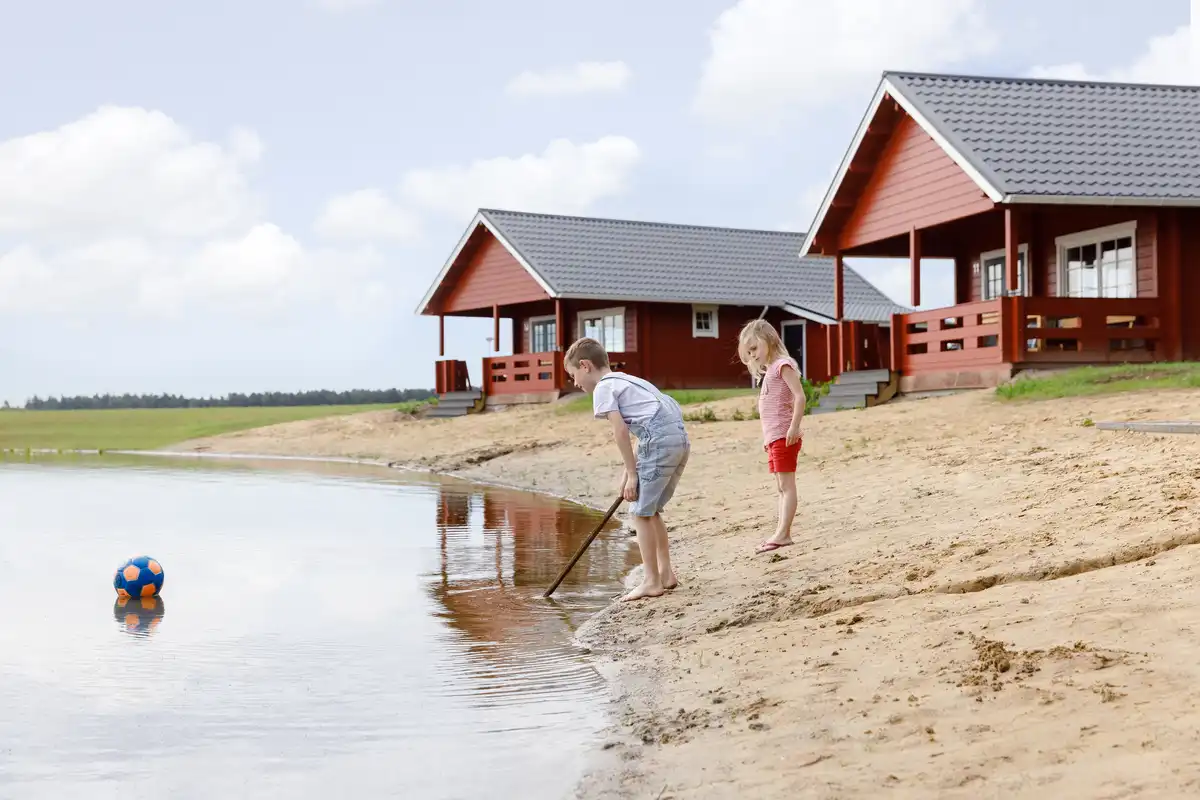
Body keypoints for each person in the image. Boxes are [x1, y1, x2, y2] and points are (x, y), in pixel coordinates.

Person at [563, 337, 690, 601]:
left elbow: (620, 431)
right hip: (678, 440)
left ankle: (651, 581)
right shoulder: (629, 380)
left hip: (659, 441)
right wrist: (629, 470)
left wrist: (633, 475)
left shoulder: (603, 388)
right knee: (650, 509)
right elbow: (646, 427)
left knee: (640, 513)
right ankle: (666, 573)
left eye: (573, 375)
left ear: (585, 366)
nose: (574, 383)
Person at [737, 319, 806, 555]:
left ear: (769, 340)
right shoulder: (770, 371)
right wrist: (768, 439)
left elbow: (799, 397)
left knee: (787, 486)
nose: (753, 355)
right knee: (781, 487)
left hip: (784, 436)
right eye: (749, 352)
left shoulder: (782, 366)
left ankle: (784, 534)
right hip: (774, 438)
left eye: (754, 348)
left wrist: (794, 427)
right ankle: (781, 531)